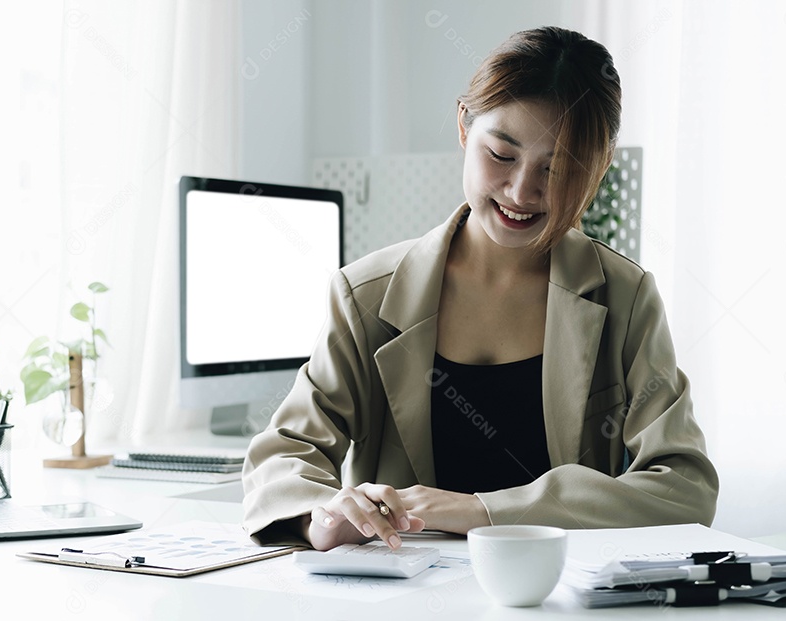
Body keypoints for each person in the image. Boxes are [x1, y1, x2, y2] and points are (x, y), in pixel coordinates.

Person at [241, 26, 718, 551]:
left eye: (557, 169)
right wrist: (323, 516)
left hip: (557, 594)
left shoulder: (623, 296)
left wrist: (483, 510)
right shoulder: (367, 295)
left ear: (598, 169)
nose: (522, 192)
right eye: (503, 155)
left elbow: (684, 487)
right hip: (404, 590)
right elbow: (282, 456)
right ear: (465, 127)